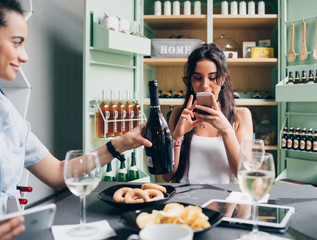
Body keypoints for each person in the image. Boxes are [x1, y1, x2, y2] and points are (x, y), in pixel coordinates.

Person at [0, 1, 152, 238]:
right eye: (17, 42)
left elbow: (59, 173)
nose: (25, 56)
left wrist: (119, 144)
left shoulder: (8, 112)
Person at [162, 43, 253, 183]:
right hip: (187, 200)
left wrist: (226, 129)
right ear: (190, 81)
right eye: (198, 78)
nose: (204, 85)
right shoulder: (178, 115)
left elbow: (244, 175)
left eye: (212, 77)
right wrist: (178, 136)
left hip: (226, 200)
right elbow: (167, 177)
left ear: (223, 79)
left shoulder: (241, 115)